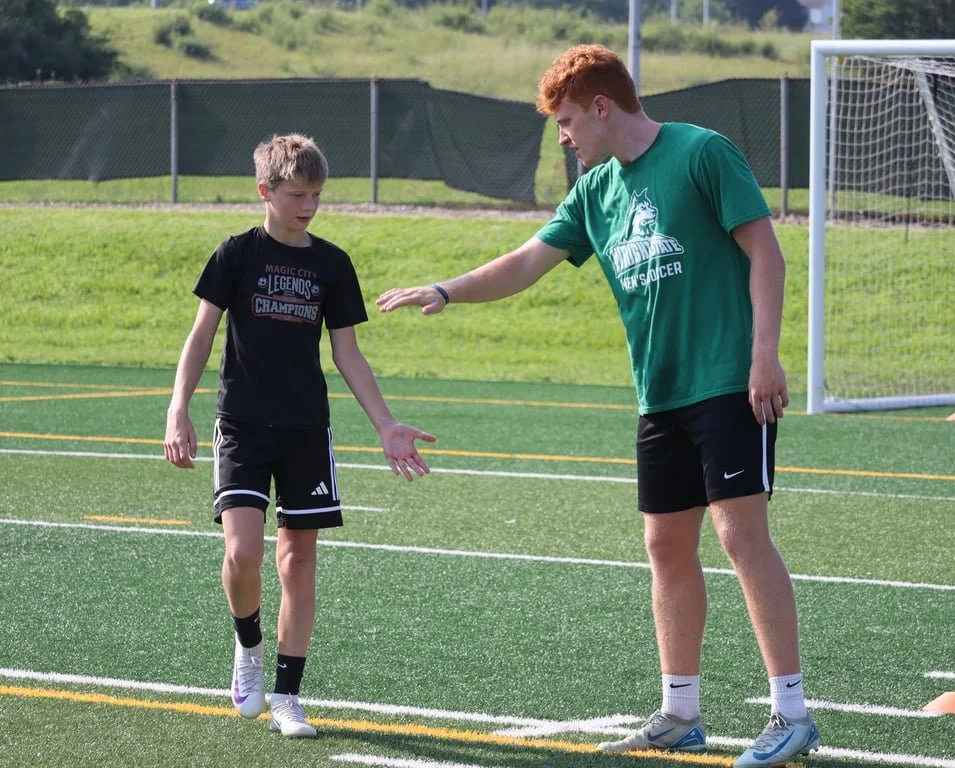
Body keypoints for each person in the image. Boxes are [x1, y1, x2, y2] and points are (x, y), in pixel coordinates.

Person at [376, 44, 819, 766]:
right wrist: (447, 289)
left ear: (603, 108)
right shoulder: (594, 192)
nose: (564, 137)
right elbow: (524, 261)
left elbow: (764, 252)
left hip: (728, 384)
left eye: (568, 121)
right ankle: (680, 710)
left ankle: (792, 712)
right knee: (665, 546)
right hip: (660, 396)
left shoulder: (703, 154)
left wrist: (763, 356)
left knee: (742, 539)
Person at [164, 133, 435, 739]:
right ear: (265, 191)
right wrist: (177, 408)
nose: (308, 205)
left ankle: (288, 695)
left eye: (316, 194)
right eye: (296, 194)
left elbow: (347, 353)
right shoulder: (235, 254)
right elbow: (201, 335)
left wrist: (386, 423)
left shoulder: (332, 264)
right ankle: (248, 645)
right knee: (243, 553)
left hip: (306, 429)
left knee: (298, 561)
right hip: (240, 424)